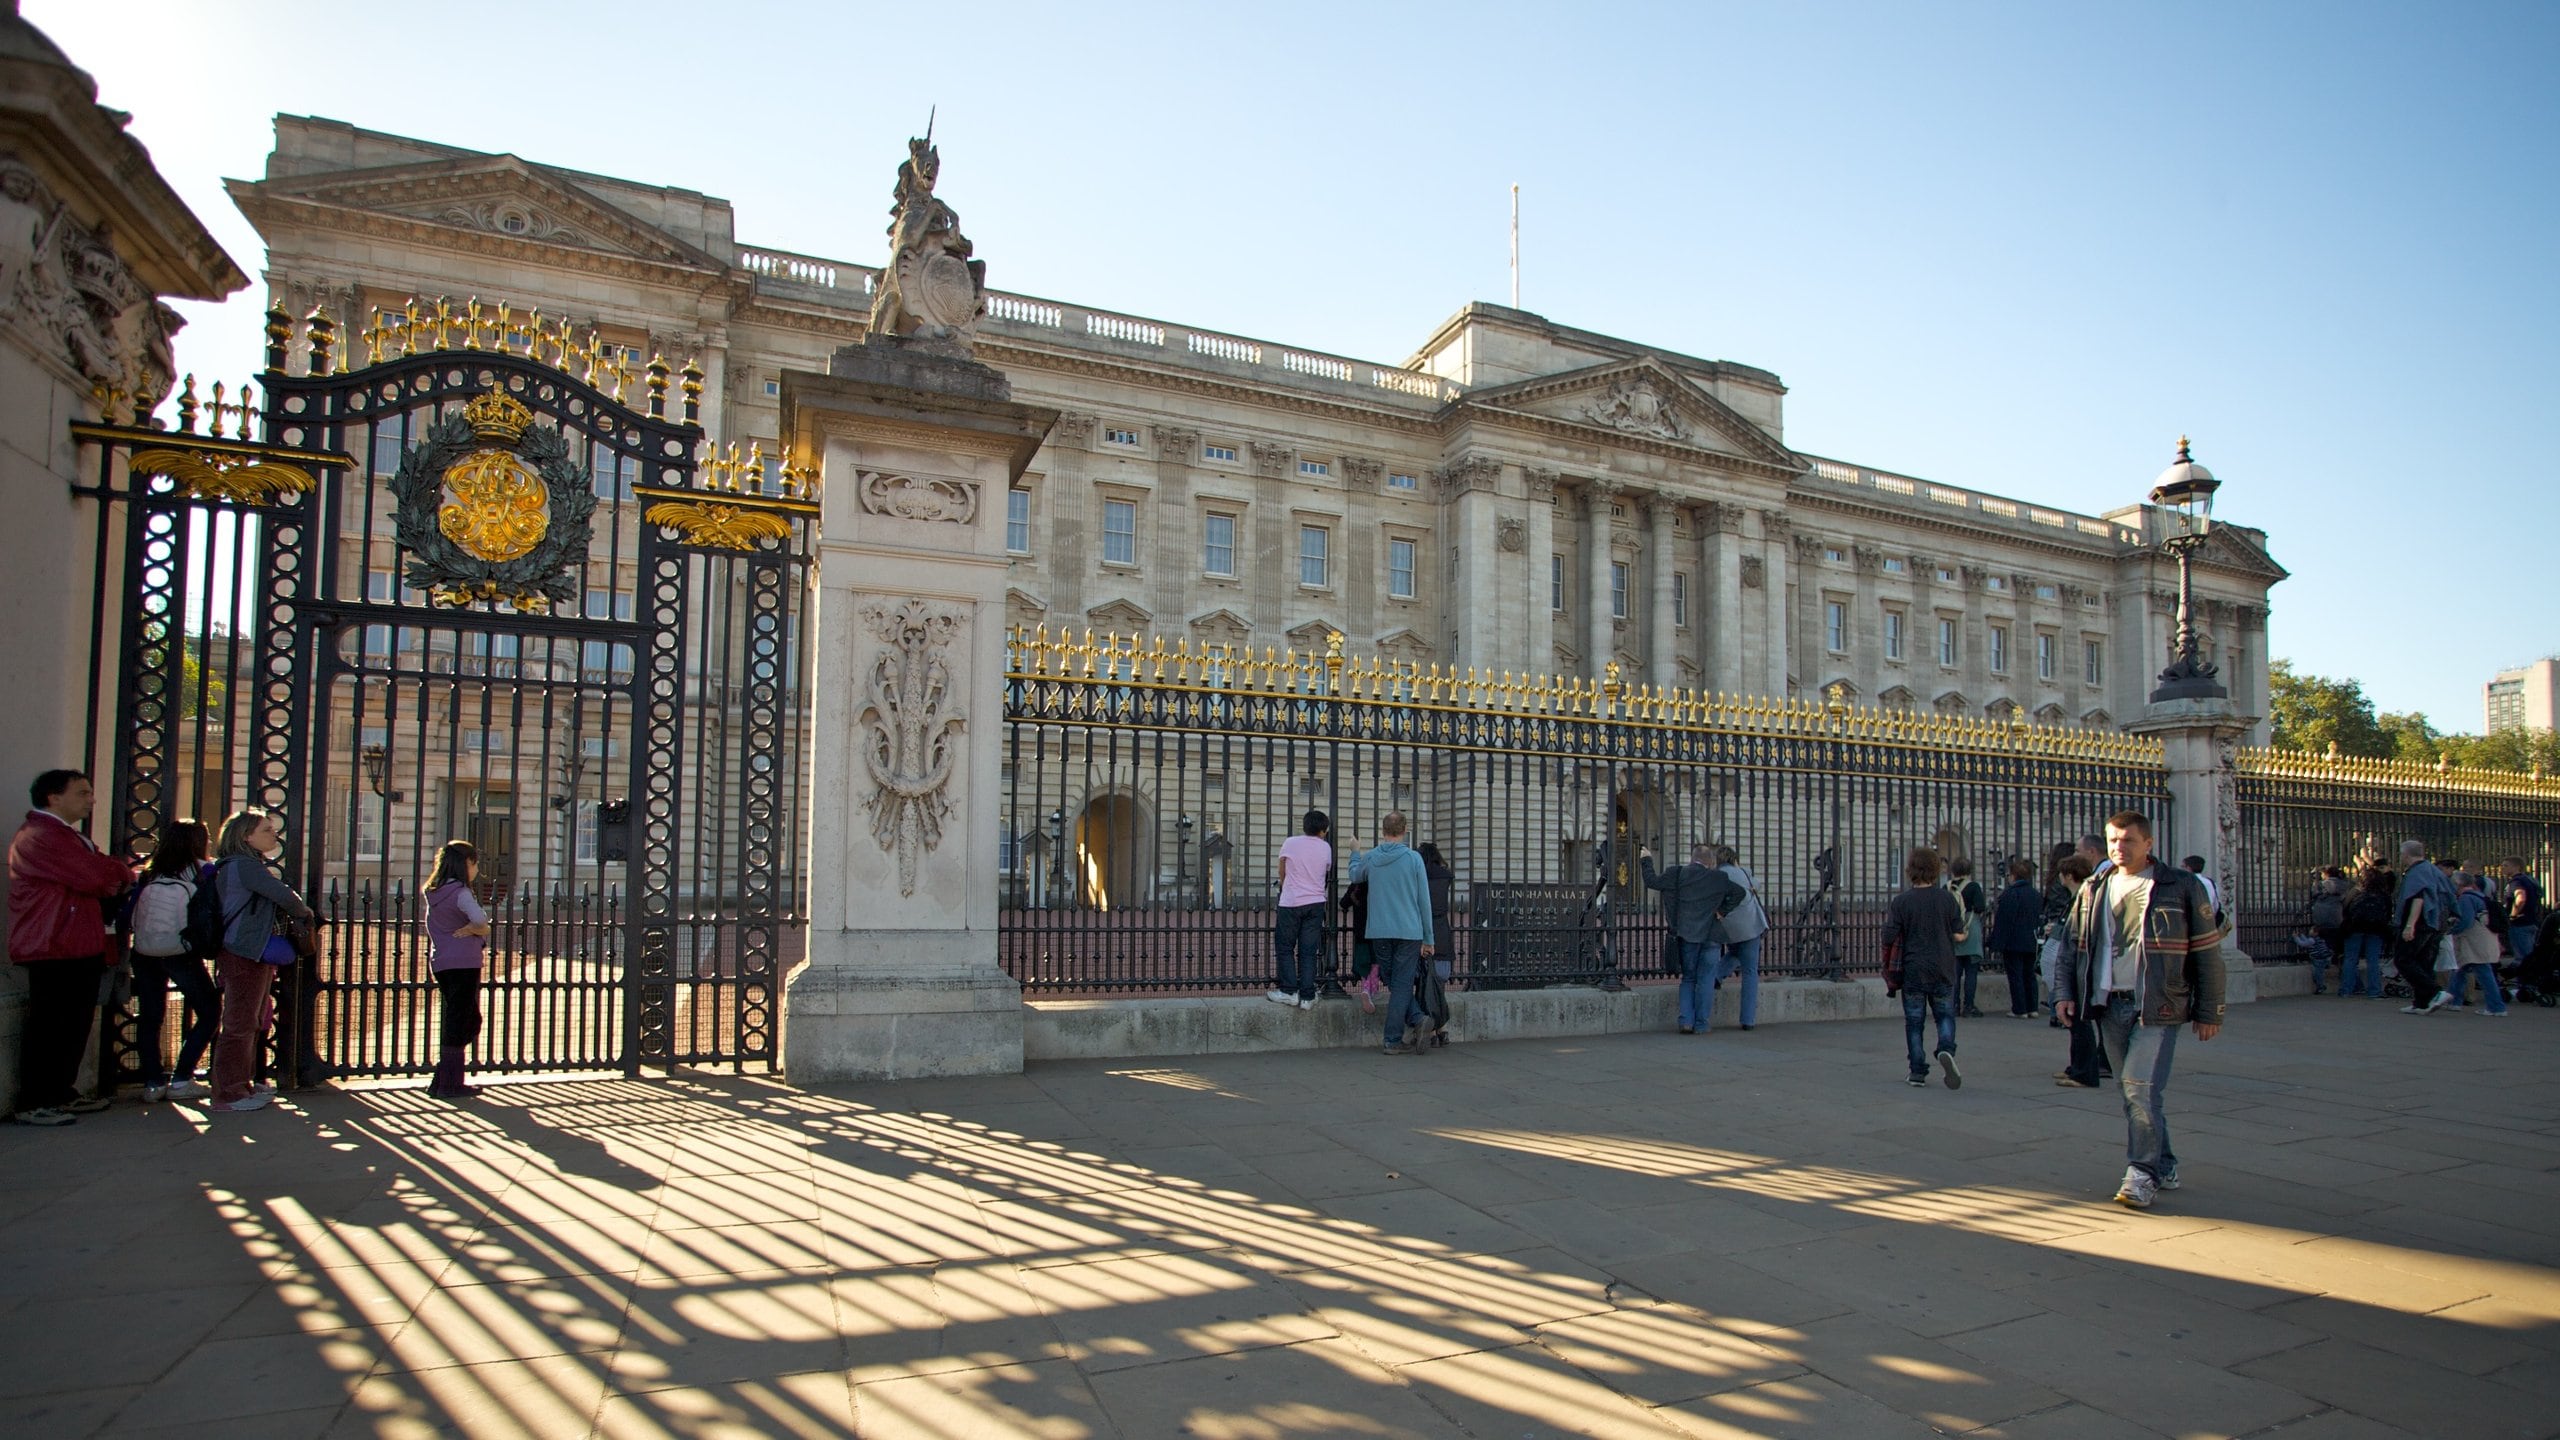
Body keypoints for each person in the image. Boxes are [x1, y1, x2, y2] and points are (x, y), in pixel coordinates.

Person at [2053, 811, 2225, 1210]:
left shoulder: (2179, 886)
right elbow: (2071, 945)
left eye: (2127, 840)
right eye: (2113, 840)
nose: (2118, 847)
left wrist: (2210, 1009)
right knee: (2136, 1092)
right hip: (2108, 1002)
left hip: (2159, 1004)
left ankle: (2141, 1173)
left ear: (2148, 844)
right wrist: (2064, 993)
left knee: (2138, 1088)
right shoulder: (2094, 886)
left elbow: (2206, 951)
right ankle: (2164, 1165)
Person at [8, 770, 132, 1126]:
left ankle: (61, 1092)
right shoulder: (40, 835)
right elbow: (96, 876)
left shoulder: (68, 836)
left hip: (77, 942)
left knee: (74, 1023)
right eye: (82, 792)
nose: (91, 799)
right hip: (51, 944)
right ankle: (34, 1100)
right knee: (50, 1025)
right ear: (53, 797)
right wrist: (114, 874)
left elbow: (112, 871)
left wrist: (115, 873)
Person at [208, 807, 316, 1113]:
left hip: (245, 949)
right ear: (246, 836)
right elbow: (282, 895)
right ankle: (228, 1094)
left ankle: (241, 1085)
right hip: (243, 949)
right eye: (266, 830)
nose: (274, 835)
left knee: (250, 1020)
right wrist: (303, 912)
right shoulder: (244, 865)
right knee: (240, 1023)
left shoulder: (240, 865)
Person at [125, 819, 221, 1102]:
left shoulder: (149, 873)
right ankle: (182, 1077)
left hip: (144, 952)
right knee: (209, 1010)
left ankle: (153, 1082)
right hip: (181, 952)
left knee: (150, 1016)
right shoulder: (203, 872)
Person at [1349, 813, 1435, 1055]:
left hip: (1379, 930)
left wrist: (1355, 851)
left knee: (1391, 978)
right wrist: (1429, 938)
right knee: (1402, 983)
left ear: (1383, 830)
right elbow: (1424, 901)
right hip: (1409, 931)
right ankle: (1402, 1031)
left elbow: (1355, 875)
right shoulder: (1414, 858)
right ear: (1405, 830)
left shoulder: (1373, 857)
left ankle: (1412, 1024)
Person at [1640, 841, 1744, 1035]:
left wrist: (1646, 860)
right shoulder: (1718, 877)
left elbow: (1651, 881)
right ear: (1710, 862)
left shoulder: (1677, 873)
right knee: (1705, 980)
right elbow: (1740, 892)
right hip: (1712, 935)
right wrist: (1722, 910)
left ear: (1692, 859)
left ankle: (1686, 1021)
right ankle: (1702, 1023)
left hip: (1688, 934)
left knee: (1688, 978)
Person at [1882, 847, 1966, 1089]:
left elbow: (1889, 935)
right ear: (1935, 870)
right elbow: (1958, 933)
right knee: (1945, 1015)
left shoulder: (1902, 902)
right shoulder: (1946, 899)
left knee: (1915, 1021)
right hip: (1942, 965)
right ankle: (1946, 1048)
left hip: (1913, 967)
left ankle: (1917, 1070)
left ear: (1910, 870)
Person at [424, 840, 495, 1096]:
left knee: (460, 1018)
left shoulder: (434, 892)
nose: (476, 869)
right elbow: (481, 921)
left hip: (442, 961)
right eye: (475, 863)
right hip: (464, 961)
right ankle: (449, 1082)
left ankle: (444, 1078)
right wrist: (476, 929)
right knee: (465, 1020)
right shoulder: (461, 893)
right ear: (466, 863)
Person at [2046, 854, 2104, 1085]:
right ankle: (2075, 1067)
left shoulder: (2084, 897)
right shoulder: (2077, 897)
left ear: (2068, 876)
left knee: (2080, 1021)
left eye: (2061, 874)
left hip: (2080, 965)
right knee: (2074, 1020)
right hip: (2075, 962)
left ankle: (2085, 1072)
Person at [1267, 809, 1331, 1011]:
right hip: (1315, 902)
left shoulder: (1290, 843)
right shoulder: (1326, 847)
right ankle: (1307, 996)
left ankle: (1288, 991)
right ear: (1323, 830)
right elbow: (1325, 870)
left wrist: (1286, 886)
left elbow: (1281, 870)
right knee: (1308, 950)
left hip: (1291, 901)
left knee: (1285, 947)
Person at [2393, 839, 2459, 1015]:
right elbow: (2450, 895)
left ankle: (2435, 992)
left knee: (2403, 959)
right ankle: (2421, 1002)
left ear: (2406, 855)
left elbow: (2418, 898)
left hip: (2420, 923)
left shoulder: (2417, 872)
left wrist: (2409, 925)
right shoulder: (2433, 870)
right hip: (2435, 924)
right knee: (2423, 962)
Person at [1712, 843, 1770, 1029]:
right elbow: (1757, 884)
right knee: (1750, 972)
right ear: (1734, 859)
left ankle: (1717, 975)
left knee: (1735, 952)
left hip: (1729, 927)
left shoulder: (1717, 875)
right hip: (1751, 926)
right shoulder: (1744, 872)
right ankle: (1748, 1019)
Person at [2440, 872, 2507, 1017]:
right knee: (2460, 970)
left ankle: (2496, 1007)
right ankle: (2454, 1001)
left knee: (2482, 972)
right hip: (2482, 937)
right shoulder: (2480, 896)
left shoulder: (2465, 899)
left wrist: (2451, 930)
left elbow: (2466, 921)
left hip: (2473, 940)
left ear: (2458, 884)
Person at [1989, 858, 2042, 1017]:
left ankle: (2019, 1008)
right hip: (2031, 939)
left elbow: (2004, 920)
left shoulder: (2010, 894)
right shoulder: (2035, 894)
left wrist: (1996, 942)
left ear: (2014, 876)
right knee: (2029, 974)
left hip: (2013, 941)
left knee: (2016, 975)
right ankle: (2032, 1007)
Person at [2340, 864, 2396, 998]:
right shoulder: (2383, 894)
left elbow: (2345, 908)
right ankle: (2374, 991)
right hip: (2376, 929)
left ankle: (2346, 990)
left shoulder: (2355, 891)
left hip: (2354, 927)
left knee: (2350, 959)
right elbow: (2388, 913)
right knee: (2373, 961)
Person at [1948, 857, 1988, 1018]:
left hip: (1953, 928)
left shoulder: (1947, 887)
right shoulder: (1973, 887)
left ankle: (1954, 1004)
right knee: (1971, 972)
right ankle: (1969, 1005)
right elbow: (1980, 907)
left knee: (1955, 972)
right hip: (1970, 928)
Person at [2306, 865, 2351, 995]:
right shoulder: (2344, 885)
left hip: (2321, 918)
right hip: (2337, 918)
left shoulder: (2321, 885)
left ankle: (2324, 963)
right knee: (2336, 947)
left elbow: (2313, 894)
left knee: (2321, 945)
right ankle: (2333, 959)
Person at [1417, 841, 1456, 984]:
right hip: (1440, 924)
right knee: (1440, 972)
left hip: (1418, 922)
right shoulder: (1445, 876)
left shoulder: (1418, 875)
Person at [2505, 858, 2546, 967]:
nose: (2502, 868)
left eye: (2506, 865)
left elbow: (2521, 898)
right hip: (2532, 921)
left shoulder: (2516, 881)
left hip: (2520, 923)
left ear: (2517, 867)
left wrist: (2513, 916)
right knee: (2530, 955)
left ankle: (2527, 982)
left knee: (2524, 959)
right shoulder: (2530, 880)